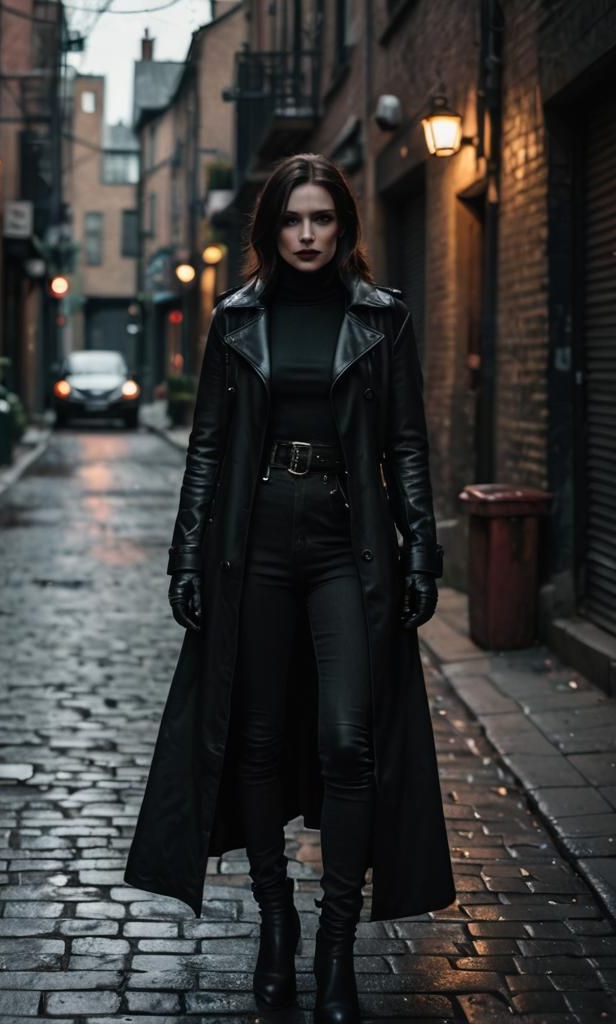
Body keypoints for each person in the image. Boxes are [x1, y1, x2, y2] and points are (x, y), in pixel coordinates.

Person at [160, 153, 449, 1023]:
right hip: (254, 545)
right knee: (252, 739)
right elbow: (208, 445)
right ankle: (276, 922)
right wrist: (185, 555)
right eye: (293, 220)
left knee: (348, 739)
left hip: (345, 544)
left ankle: (336, 947)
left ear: (344, 226)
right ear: (270, 230)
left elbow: (405, 442)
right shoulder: (237, 318)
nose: (308, 234)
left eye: (322, 218)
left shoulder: (382, 318)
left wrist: (423, 548)